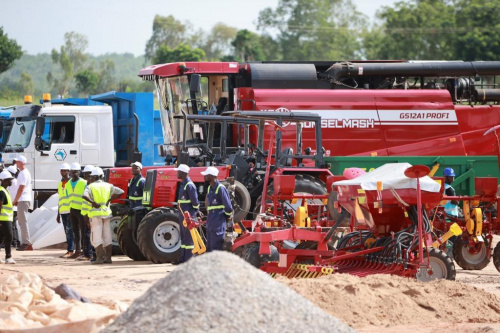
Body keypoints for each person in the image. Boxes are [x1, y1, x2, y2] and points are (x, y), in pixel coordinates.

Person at [83, 167, 124, 264]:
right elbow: (121, 192)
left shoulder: (90, 186)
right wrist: (109, 199)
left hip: (95, 214)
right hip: (106, 213)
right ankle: (108, 258)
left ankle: (99, 258)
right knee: (107, 236)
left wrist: (93, 203)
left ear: (94, 177)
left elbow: (84, 196)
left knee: (96, 237)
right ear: (102, 176)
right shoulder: (108, 186)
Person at [201, 166, 233, 252]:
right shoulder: (209, 188)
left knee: (216, 247)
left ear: (211, 176)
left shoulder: (220, 188)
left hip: (218, 220)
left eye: (206, 175)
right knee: (209, 247)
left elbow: (229, 207)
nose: (204, 176)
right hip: (211, 220)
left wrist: (225, 217)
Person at [174, 164, 199, 263]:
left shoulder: (189, 185)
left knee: (188, 239)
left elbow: (195, 202)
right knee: (184, 238)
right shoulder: (183, 184)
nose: (177, 173)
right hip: (183, 215)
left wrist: (192, 215)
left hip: (188, 216)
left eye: (178, 171)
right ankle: (182, 259)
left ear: (183, 173)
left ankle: (188, 260)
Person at [66, 163, 89, 260]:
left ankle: (85, 251)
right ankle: (78, 250)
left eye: (76, 172)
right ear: (70, 172)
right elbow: (68, 197)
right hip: (72, 210)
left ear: (79, 172)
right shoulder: (68, 184)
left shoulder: (84, 183)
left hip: (81, 210)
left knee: (84, 231)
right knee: (76, 231)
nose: (74, 174)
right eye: (73, 172)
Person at [13, 155, 32, 251]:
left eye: (18, 161)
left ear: (22, 162)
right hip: (23, 199)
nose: (16, 163)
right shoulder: (23, 173)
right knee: (21, 221)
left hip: (23, 199)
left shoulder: (23, 173)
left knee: (22, 221)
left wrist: (15, 200)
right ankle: (26, 242)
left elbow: (21, 188)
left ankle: (27, 242)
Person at [56, 163, 74, 258]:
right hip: (63, 211)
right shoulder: (60, 184)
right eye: (61, 170)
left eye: (64, 170)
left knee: (70, 231)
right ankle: (69, 250)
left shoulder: (71, 183)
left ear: (68, 171)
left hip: (70, 211)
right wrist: (58, 214)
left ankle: (71, 250)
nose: (63, 172)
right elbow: (60, 199)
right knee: (67, 231)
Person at [80, 165, 96, 261]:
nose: (86, 176)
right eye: (85, 174)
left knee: (90, 234)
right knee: (86, 234)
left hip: (90, 214)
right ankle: (87, 253)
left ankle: (90, 254)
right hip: (85, 213)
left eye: (88, 174)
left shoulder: (92, 187)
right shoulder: (87, 185)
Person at [443, 167, 459, 259]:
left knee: (446, 236)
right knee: (453, 237)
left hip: (445, 215)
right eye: (450, 177)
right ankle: (451, 255)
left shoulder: (442, 187)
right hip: (451, 216)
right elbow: (455, 202)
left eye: (453, 177)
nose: (452, 179)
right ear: (445, 177)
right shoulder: (449, 189)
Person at [0, 170, 16, 263]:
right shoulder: (1, 191)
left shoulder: (5, 190)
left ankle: (7, 257)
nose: (11, 181)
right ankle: (8, 257)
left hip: (6, 218)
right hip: (3, 219)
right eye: (9, 180)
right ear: (5, 180)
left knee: (1, 237)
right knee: (9, 237)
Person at [6, 165, 20, 249]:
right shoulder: (16, 181)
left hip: (12, 207)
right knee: (13, 226)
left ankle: (14, 242)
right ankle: (15, 241)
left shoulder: (11, 182)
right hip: (14, 207)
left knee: (12, 226)